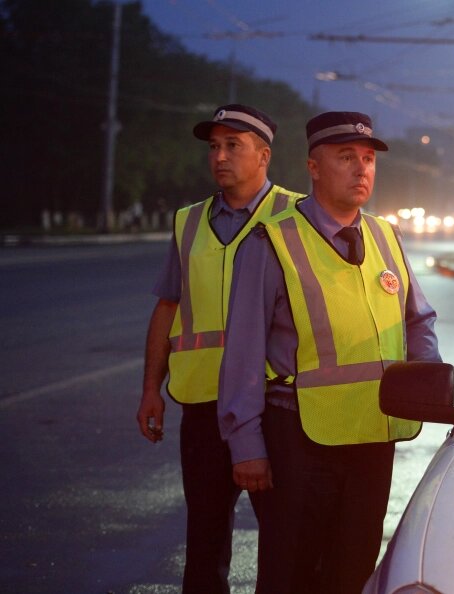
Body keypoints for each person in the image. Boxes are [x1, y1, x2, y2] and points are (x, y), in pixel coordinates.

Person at [218, 111, 441, 593]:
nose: (362, 170)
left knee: (353, 571)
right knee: (289, 574)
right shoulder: (271, 242)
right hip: (299, 440)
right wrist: (247, 446)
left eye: (367, 159)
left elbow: (417, 320)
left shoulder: (385, 236)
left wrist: (425, 383)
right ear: (314, 168)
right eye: (346, 158)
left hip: (371, 440)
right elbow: (242, 353)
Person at [136, 104, 302, 593]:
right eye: (214, 147)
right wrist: (151, 388)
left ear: (264, 155)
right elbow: (167, 308)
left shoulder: (296, 217)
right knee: (204, 541)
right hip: (203, 405)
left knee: (283, 540)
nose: (220, 156)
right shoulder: (187, 223)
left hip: (275, 407)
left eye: (234, 146)